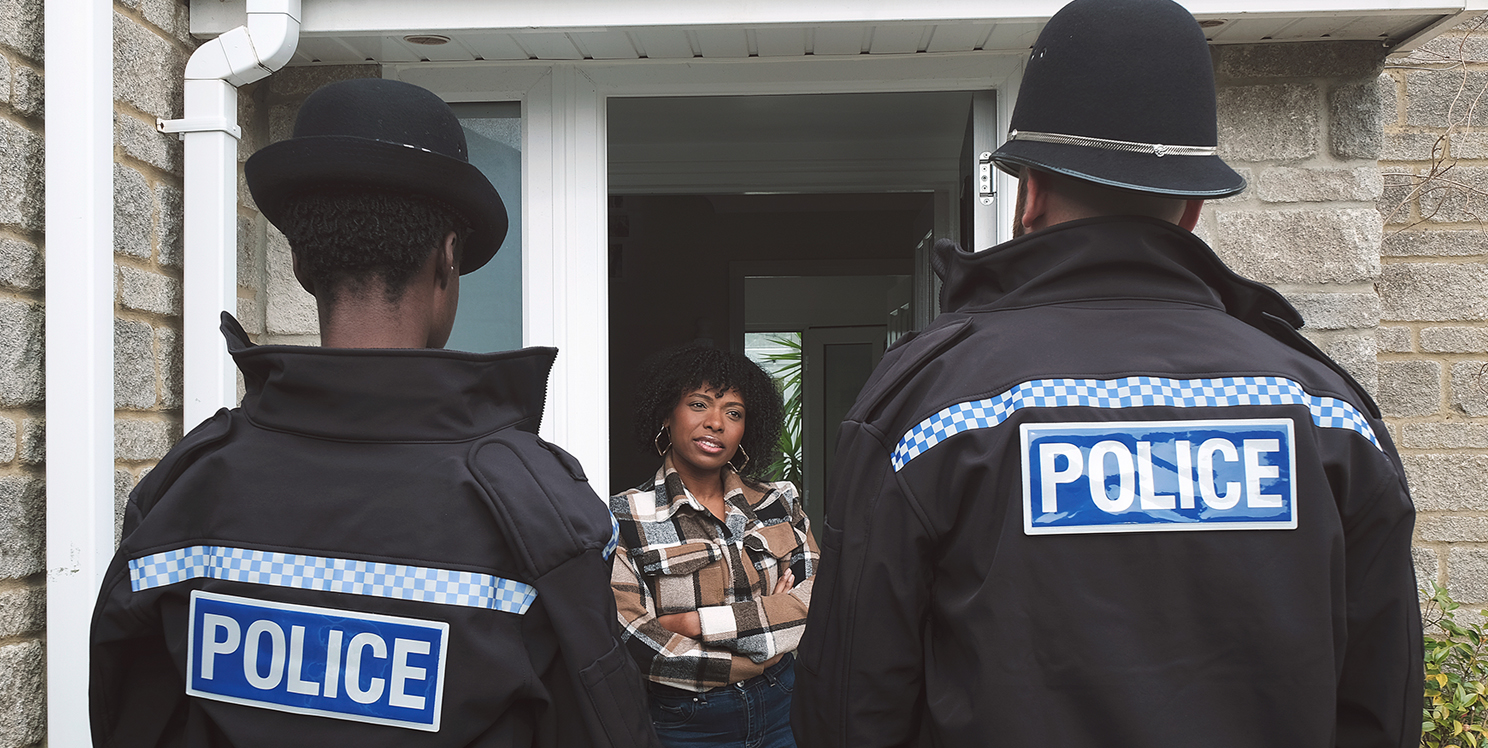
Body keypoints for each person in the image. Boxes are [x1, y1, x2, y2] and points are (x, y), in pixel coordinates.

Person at [792, 1, 1422, 746]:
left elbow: (851, 706)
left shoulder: (932, 408)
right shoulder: (1324, 413)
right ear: (1191, 206)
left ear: (1030, 197)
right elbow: (1381, 707)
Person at [90, 78, 657, 748]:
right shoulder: (536, 507)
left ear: (301, 262)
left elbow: (132, 713)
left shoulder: (184, 490)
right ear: (449, 255)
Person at [610, 346, 818, 748]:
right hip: (686, 722)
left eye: (734, 412)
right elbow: (638, 641)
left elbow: (818, 600)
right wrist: (768, 641)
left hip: (783, 708)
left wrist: (693, 623)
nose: (716, 423)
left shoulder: (780, 502)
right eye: (698, 404)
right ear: (667, 415)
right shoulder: (623, 517)